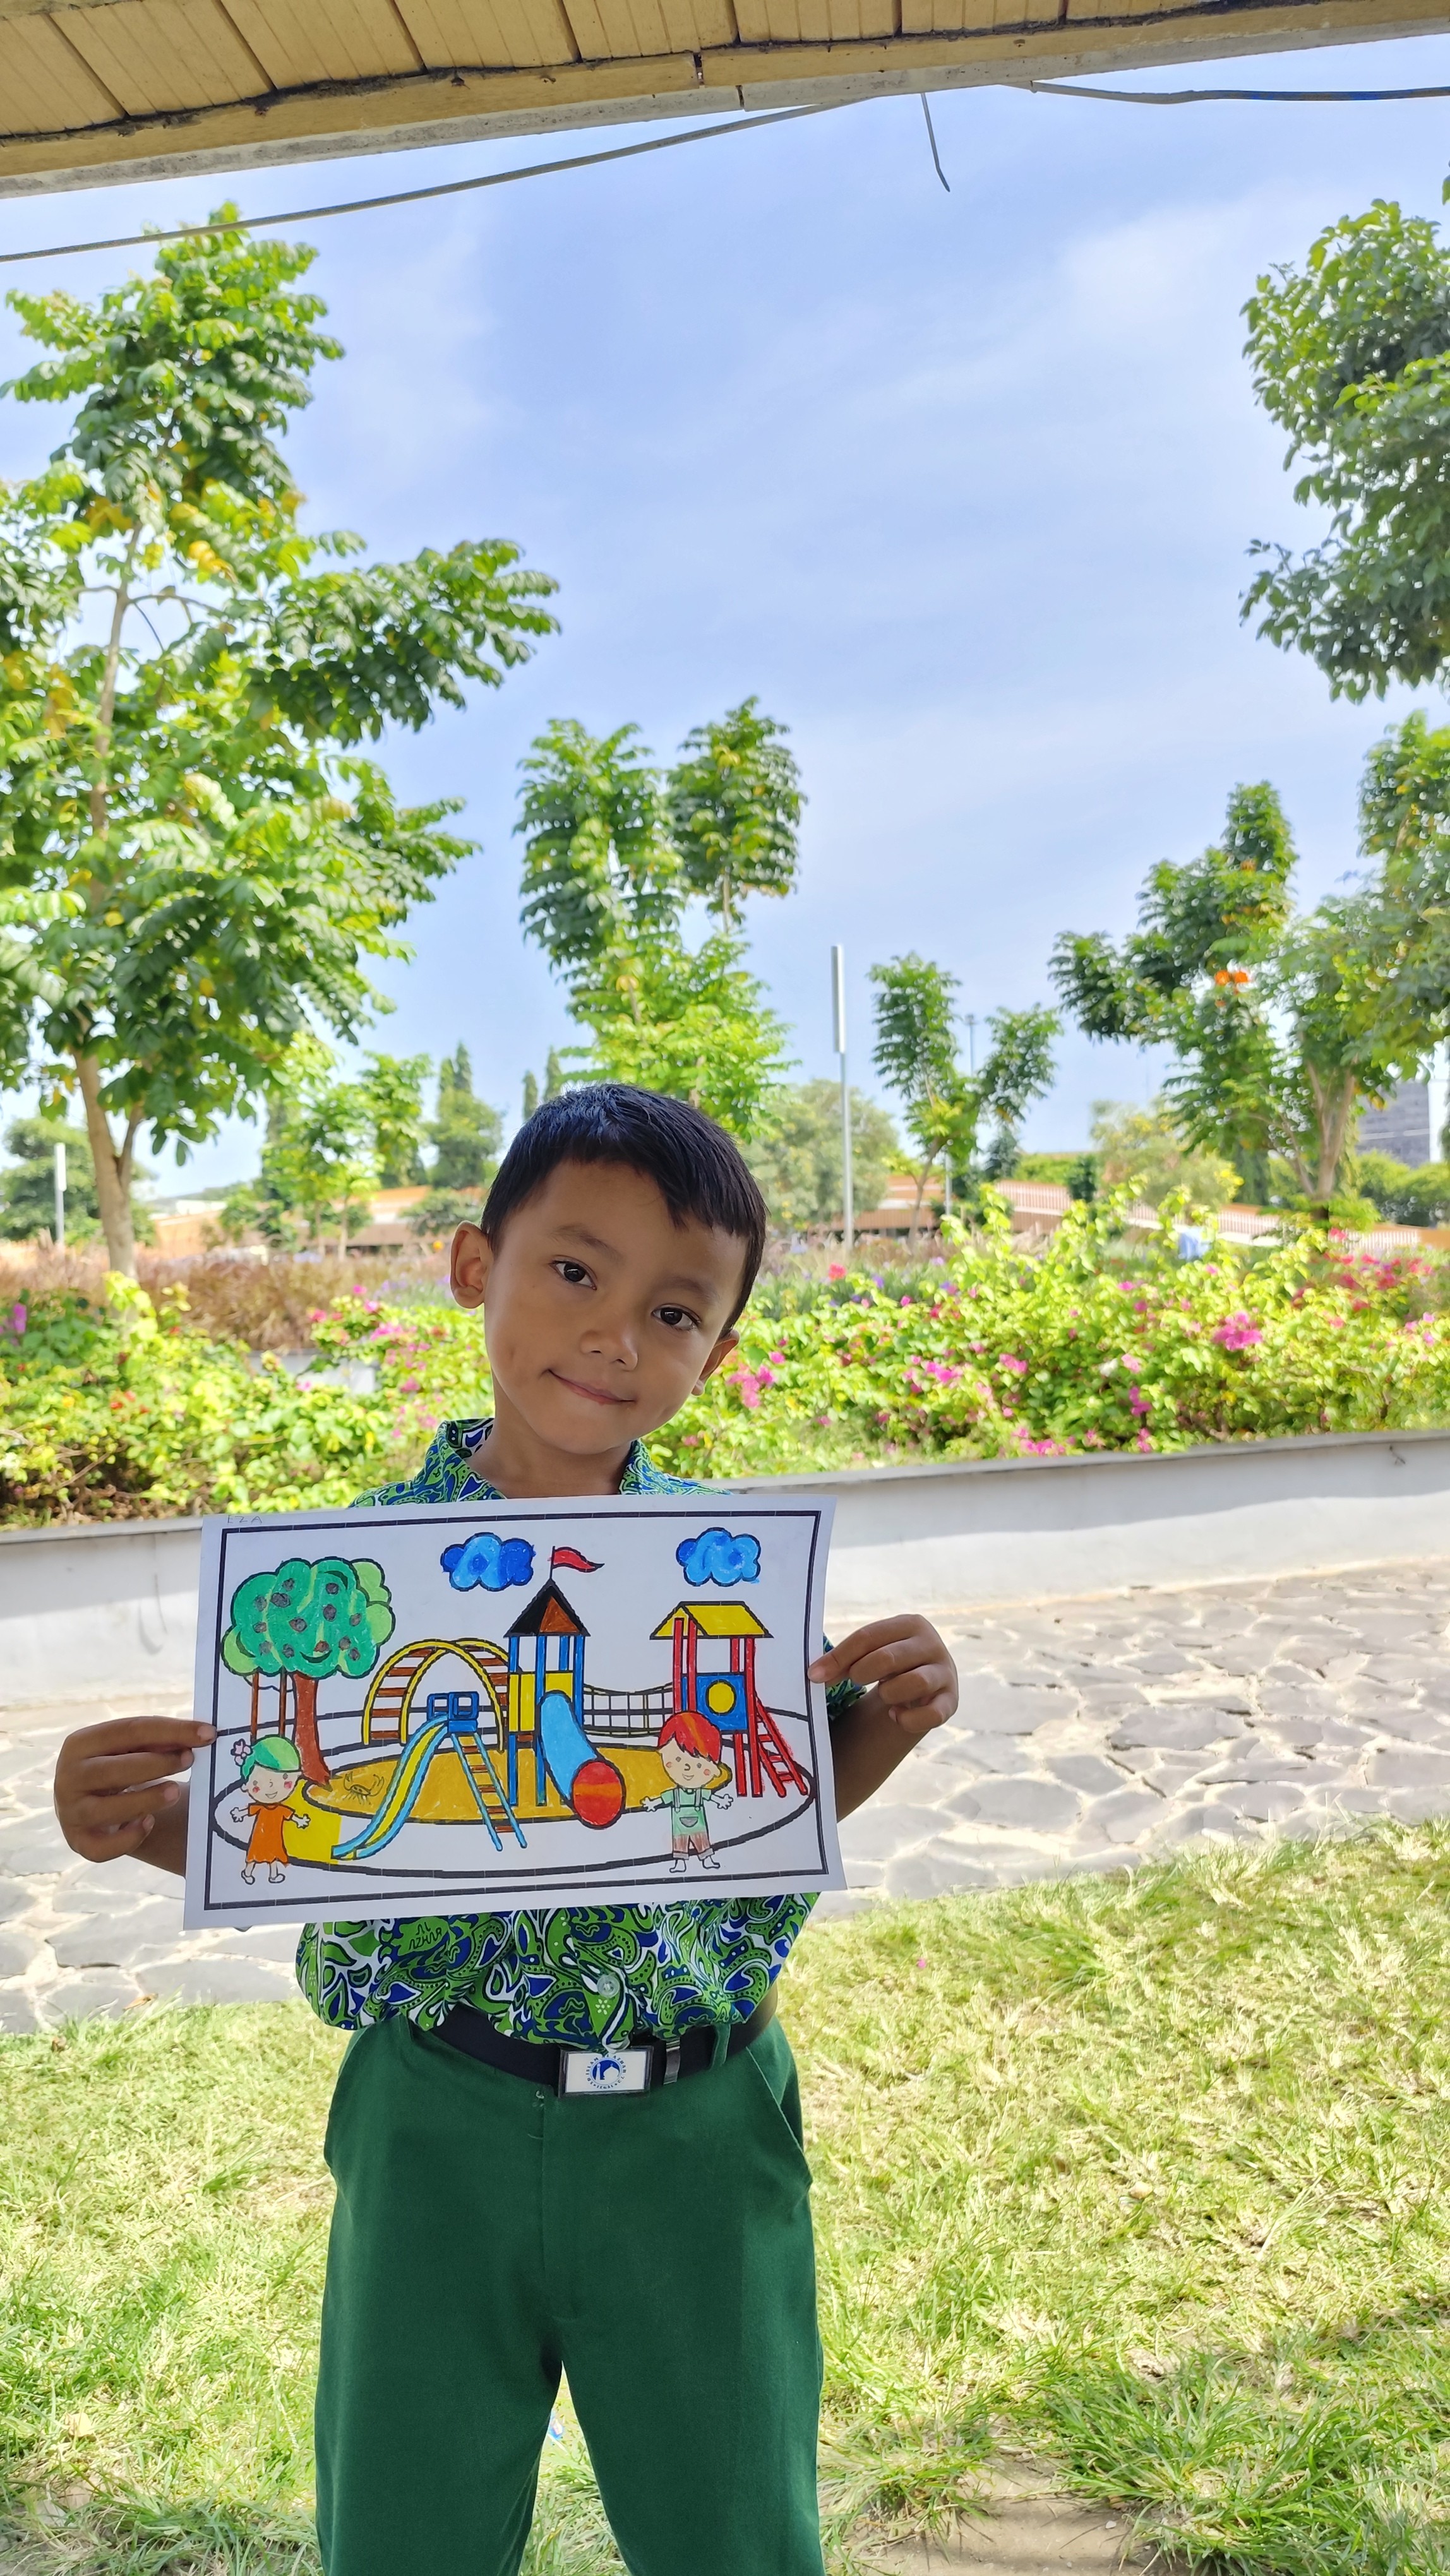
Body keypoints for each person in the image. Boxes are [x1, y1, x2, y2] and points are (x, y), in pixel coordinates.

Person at [52, 1083, 959, 2576]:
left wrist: (877, 1726)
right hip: (437, 2120)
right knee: (404, 2527)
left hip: (698, 2122)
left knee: (735, 2531)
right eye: (576, 1269)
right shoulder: (352, 1567)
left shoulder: (722, 1578)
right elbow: (309, 1827)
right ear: (478, 1266)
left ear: (719, 1350)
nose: (615, 1334)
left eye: (676, 1310)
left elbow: (737, 1822)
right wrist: (143, 1823)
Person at [645, 1706, 734, 1871]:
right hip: (680, 1824)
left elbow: (709, 1796)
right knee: (680, 1842)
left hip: (698, 1823)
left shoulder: (699, 1793)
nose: (686, 1768)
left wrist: (720, 1800)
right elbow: (664, 1798)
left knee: (702, 1840)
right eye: (677, 1759)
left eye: (699, 1764)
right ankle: (680, 1863)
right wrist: (653, 1803)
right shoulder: (676, 1793)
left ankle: (707, 1859)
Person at [231, 1733, 308, 1883]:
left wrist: (300, 1821)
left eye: (284, 1781)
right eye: (258, 1784)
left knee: (274, 1856)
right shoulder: (261, 1808)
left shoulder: (280, 1810)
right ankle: (247, 1873)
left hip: (274, 1838)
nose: (271, 1787)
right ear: (248, 1785)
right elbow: (249, 1810)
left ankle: (273, 1876)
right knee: (254, 1856)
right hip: (260, 1837)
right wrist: (239, 1814)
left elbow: (291, 1816)